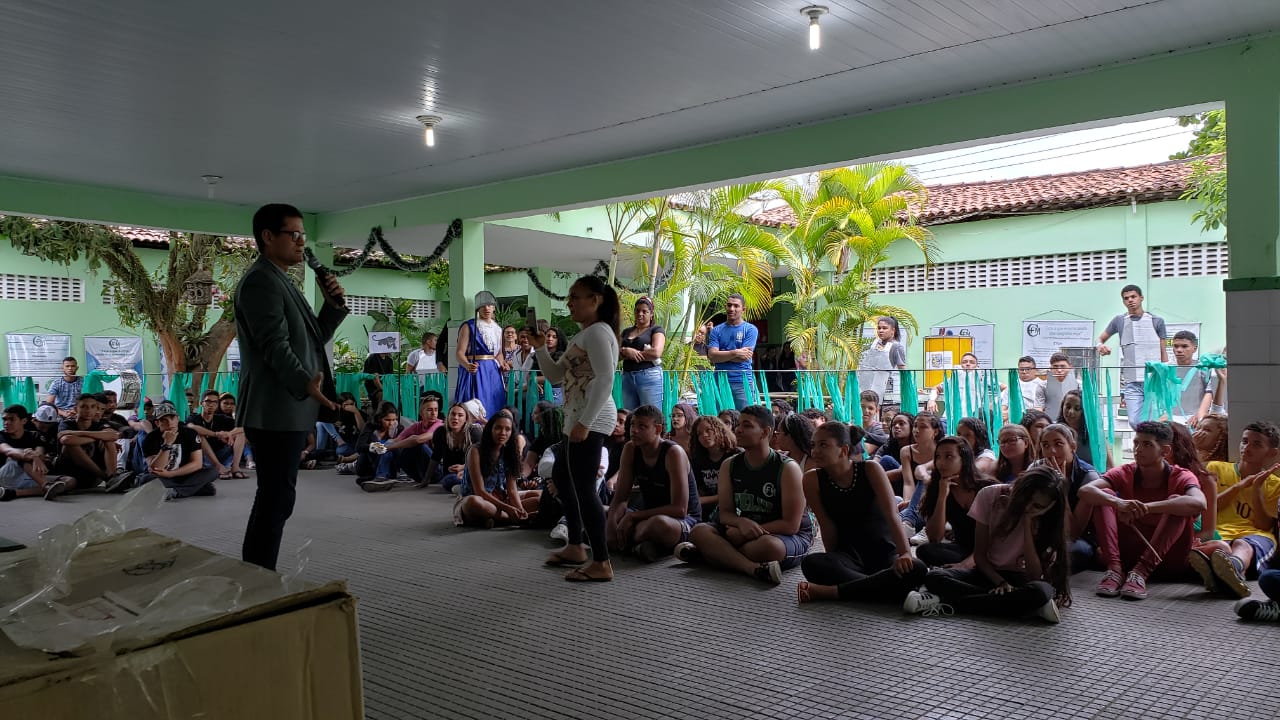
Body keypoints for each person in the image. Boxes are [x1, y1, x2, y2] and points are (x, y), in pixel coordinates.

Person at [234, 202, 348, 570]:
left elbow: (312, 339)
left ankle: (258, 573)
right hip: (274, 408)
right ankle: (257, 575)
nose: (301, 242)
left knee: (278, 497)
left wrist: (332, 305)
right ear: (268, 237)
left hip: (289, 407)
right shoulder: (261, 281)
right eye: (293, 234)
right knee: (275, 497)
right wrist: (305, 384)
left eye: (303, 235)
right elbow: (274, 345)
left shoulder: (281, 279)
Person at [535, 275, 621, 582]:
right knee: (562, 477)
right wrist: (540, 348)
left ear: (595, 300)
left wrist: (586, 422)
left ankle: (601, 561)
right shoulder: (584, 334)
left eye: (576, 296)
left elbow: (606, 379)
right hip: (578, 416)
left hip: (591, 417)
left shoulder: (598, 332)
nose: (569, 302)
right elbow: (555, 375)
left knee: (585, 488)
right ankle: (575, 545)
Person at [908, 466, 1071, 624]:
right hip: (988, 573)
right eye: (1026, 499)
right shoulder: (990, 495)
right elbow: (979, 556)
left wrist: (1028, 522)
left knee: (1041, 592)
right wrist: (1000, 582)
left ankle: (945, 601)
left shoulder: (1047, 519)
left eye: (1038, 506)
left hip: (1021, 579)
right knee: (934, 577)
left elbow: (1034, 574)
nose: (1028, 507)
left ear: (1049, 507)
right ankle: (1024, 607)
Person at [674, 405, 813, 585]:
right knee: (699, 531)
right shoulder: (730, 465)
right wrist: (741, 524)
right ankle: (752, 568)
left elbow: (791, 525)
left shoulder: (787, 468)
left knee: (770, 547)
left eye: (746, 426)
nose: (738, 429)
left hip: (783, 535)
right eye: (738, 424)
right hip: (743, 529)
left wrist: (746, 533)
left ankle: (710, 554)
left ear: (765, 432)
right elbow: (725, 513)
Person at [797, 423, 926, 604]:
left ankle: (833, 592)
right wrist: (833, 560)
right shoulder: (812, 479)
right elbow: (826, 525)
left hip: (884, 553)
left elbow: (892, 515)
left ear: (843, 450)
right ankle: (883, 589)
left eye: (823, 445)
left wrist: (905, 553)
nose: (815, 451)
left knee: (917, 568)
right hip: (849, 556)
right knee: (811, 564)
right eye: (813, 445)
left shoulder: (870, 469)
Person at [1079, 421, 1205, 600]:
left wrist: (1147, 508)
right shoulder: (1125, 471)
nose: (1138, 449)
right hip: (1127, 556)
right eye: (1136, 443)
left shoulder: (1181, 475)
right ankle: (1114, 570)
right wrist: (1118, 503)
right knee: (1104, 495)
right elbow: (1085, 491)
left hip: (1167, 558)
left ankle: (1141, 572)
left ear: (1165, 451)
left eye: (1147, 444)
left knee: (1177, 502)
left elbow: (1199, 503)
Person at [1191, 422, 1280, 598]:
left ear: (1272, 453)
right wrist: (1237, 487)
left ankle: (1233, 568)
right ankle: (1228, 575)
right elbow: (1206, 509)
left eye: (1256, 444)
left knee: (1242, 545)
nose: (1247, 447)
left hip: (1255, 536)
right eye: (1244, 441)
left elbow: (1263, 526)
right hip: (1219, 533)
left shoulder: (1275, 484)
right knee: (1218, 546)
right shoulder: (1216, 468)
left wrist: (1257, 489)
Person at [606, 405, 701, 562]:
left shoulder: (673, 453)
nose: (634, 430)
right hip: (646, 515)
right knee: (602, 512)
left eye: (642, 426)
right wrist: (611, 525)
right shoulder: (630, 449)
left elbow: (680, 509)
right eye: (633, 425)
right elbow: (620, 497)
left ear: (657, 429)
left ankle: (630, 542)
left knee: (658, 524)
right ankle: (641, 546)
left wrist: (632, 517)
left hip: (681, 520)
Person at [916, 436, 997, 567]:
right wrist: (942, 496)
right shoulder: (937, 487)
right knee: (925, 551)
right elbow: (934, 537)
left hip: (992, 550)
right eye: (938, 457)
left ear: (964, 459)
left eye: (949, 456)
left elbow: (998, 537)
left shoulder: (986, 487)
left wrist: (964, 565)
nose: (941, 463)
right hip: (963, 549)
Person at [1034, 423, 1101, 572]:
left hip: (1078, 537)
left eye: (1058, 444)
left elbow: (1074, 533)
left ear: (1073, 446)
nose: (1052, 451)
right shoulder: (1036, 469)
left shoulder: (1088, 476)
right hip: (1044, 532)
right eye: (1045, 445)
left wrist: (1061, 490)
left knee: (1075, 551)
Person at [1097, 284, 1167, 424]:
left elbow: (1163, 350)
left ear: (1141, 298)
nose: (1130, 300)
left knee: (1153, 421)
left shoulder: (1157, 321)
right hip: (1132, 381)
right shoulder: (1119, 321)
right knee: (1134, 421)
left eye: (1133, 297)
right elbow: (1100, 339)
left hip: (1153, 380)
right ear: (1123, 301)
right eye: (1126, 298)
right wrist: (1100, 346)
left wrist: (1165, 374)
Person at [455, 410, 538, 527]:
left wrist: (520, 510)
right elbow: (480, 491)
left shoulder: (510, 452)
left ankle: (497, 519)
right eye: (498, 428)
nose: (503, 433)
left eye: (507, 429)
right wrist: (509, 509)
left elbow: (512, 490)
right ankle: (510, 520)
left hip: (500, 500)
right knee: (473, 503)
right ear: (490, 429)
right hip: (479, 499)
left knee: (538, 499)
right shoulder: (475, 450)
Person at [139, 401, 219, 500]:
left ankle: (175, 491)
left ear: (178, 419)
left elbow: (197, 463)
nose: (169, 423)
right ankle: (191, 488)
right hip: (162, 477)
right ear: (157, 423)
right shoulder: (150, 438)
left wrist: (171, 474)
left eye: (172, 418)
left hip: (185, 474)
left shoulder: (190, 433)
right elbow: (156, 468)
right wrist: (167, 444)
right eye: (164, 420)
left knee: (213, 471)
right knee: (146, 479)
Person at [53, 393, 125, 496]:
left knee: (109, 441)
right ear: (76, 409)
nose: (88, 410)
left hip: (91, 478)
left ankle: (112, 477)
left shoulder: (99, 424)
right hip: (69, 474)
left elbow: (113, 435)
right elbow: (67, 440)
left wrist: (78, 434)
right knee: (71, 445)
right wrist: (99, 437)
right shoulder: (67, 423)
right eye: (84, 407)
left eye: (92, 407)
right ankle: (107, 478)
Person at [453, 291, 507, 420]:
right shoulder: (469, 326)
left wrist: (502, 364)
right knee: (474, 402)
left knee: (494, 402)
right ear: (478, 308)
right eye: (483, 305)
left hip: (492, 372)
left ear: (494, 307)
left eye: (489, 305)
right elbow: (459, 352)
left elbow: (499, 354)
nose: (486, 308)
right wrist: (467, 365)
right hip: (475, 369)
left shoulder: (498, 329)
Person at [0, 405, 71, 501]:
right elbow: (8, 451)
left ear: (24, 421)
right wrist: (32, 456)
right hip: (5, 475)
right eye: (4, 419)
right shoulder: (1, 435)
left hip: (28, 476)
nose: (6, 423)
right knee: (19, 456)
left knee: (69, 481)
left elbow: (39, 453)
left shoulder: (34, 435)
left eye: (12, 419)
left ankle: (13, 493)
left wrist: (36, 456)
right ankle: (45, 485)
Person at [706, 294, 759, 410]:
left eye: (736, 306)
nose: (731, 309)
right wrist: (735, 352)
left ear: (743, 310)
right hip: (720, 381)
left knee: (744, 417)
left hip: (742, 382)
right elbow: (712, 356)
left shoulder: (750, 329)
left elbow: (744, 357)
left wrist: (721, 355)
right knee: (720, 418)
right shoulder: (716, 331)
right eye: (729, 305)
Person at [689, 415, 739, 524]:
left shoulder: (736, 455)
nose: (704, 435)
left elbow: (737, 493)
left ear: (719, 430)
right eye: (699, 434)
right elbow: (697, 489)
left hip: (732, 509)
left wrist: (703, 500)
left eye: (709, 430)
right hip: (705, 509)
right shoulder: (697, 460)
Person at [898, 412, 943, 533]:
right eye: (915, 426)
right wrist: (908, 503)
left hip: (933, 504)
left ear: (935, 432)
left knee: (926, 477)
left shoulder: (942, 451)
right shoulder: (906, 451)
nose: (916, 430)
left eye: (923, 427)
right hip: (915, 505)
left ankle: (908, 521)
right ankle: (907, 520)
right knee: (897, 506)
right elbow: (908, 482)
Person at [619, 296, 666, 411]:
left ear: (651, 314)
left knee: (650, 414)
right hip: (627, 376)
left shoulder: (656, 330)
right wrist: (626, 351)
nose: (640, 314)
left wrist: (634, 354)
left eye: (644, 311)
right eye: (637, 310)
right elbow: (614, 353)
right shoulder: (626, 332)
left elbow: (656, 352)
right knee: (630, 415)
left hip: (649, 376)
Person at [187, 389, 247, 480]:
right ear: (201, 403)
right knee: (199, 436)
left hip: (222, 454)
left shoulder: (221, 418)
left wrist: (229, 434)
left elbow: (242, 427)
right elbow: (191, 427)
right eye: (208, 401)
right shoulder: (194, 418)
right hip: (204, 457)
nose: (211, 405)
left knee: (240, 434)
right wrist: (216, 434)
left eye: (215, 402)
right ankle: (218, 466)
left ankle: (235, 468)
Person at [426, 403, 484, 494]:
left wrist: (464, 467)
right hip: (451, 475)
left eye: (460, 415)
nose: (455, 418)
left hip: (472, 472)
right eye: (453, 414)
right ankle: (468, 488)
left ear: (466, 419)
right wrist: (426, 479)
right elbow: (436, 456)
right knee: (448, 480)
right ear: (448, 417)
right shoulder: (440, 432)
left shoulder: (474, 432)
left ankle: (469, 487)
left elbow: (483, 458)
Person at [386, 394, 443, 485]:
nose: (433, 413)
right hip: (418, 475)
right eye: (429, 410)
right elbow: (396, 440)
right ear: (421, 413)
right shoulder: (416, 426)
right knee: (394, 447)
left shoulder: (440, 425)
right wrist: (380, 446)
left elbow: (418, 440)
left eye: (436, 410)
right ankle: (384, 476)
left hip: (436, 471)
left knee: (419, 445)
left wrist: (389, 447)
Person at [926, 352, 1005, 416]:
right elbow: (936, 388)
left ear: (976, 365)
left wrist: (995, 403)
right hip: (953, 417)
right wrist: (931, 400)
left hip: (974, 418)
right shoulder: (953, 379)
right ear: (961, 365)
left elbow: (1005, 388)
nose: (968, 364)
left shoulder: (983, 379)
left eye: (972, 362)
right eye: (964, 362)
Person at [858, 316, 908, 412]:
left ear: (893, 330)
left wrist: (909, 387)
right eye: (879, 328)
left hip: (884, 391)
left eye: (884, 328)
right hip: (864, 388)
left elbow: (903, 370)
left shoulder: (896, 347)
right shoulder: (874, 344)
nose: (881, 331)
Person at [353, 403, 404, 491]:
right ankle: (377, 477)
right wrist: (373, 446)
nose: (391, 423)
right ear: (379, 418)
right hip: (370, 463)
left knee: (391, 447)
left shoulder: (398, 429)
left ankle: (382, 477)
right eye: (387, 420)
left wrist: (392, 439)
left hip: (389, 464)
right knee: (382, 446)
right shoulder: (370, 427)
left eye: (394, 419)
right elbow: (359, 447)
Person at [1170, 330, 1216, 427]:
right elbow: (1158, 396)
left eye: (1184, 346)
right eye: (1176, 346)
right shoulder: (1166, 369)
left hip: (1195, 419)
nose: (1179, 350)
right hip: (1170, 418)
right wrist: (1163, 413)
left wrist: (1200, 414)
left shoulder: (1203, 369)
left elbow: (1211, 393)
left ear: (1194, 348)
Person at [1042, 353, 1079, 423]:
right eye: (1055, 367)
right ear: (1050, 368)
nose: (1059, 370)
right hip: (1051, 423)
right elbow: (1039, 408)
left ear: (1070, 367)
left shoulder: (1079, 385)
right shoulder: (1042, 385)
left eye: (1063, 366)